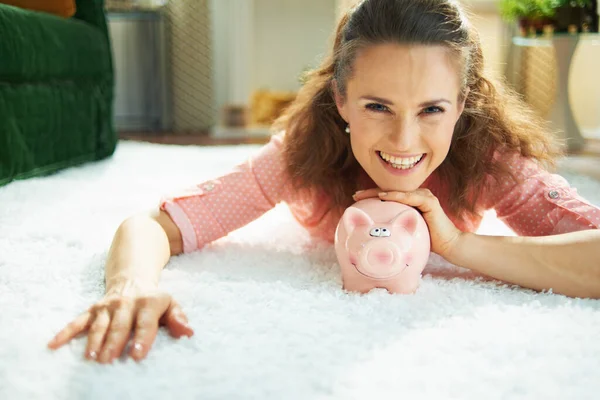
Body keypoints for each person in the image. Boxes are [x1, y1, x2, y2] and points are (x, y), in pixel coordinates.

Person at [48, 0, 600, 364]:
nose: (405, 141)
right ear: (340, 101)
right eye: (377, 105)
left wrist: (459, 245)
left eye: (432, 109)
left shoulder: (488, 158)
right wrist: (132, 286)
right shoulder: (302, 155)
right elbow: (152, 226)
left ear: (463, 106)